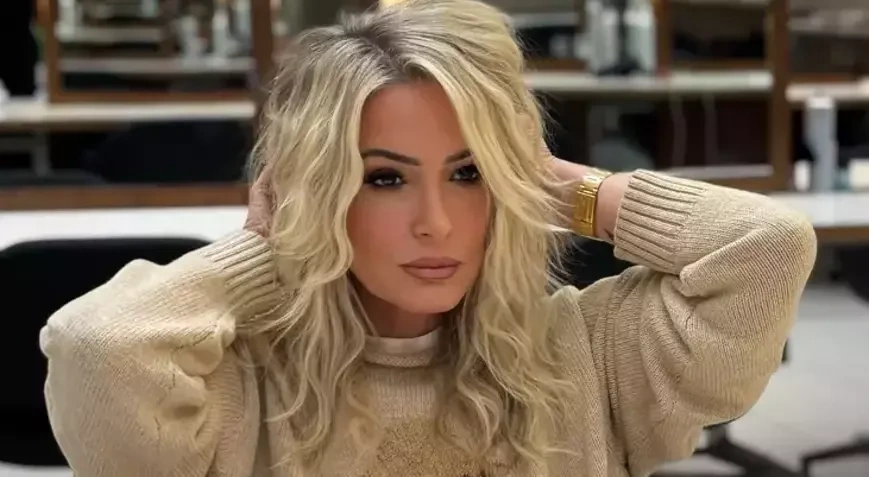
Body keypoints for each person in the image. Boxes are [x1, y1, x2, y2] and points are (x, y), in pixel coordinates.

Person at [40, 1, 817, 476]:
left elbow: (767, 245)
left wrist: (545, 183)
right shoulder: (233, 387)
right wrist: (274, 244)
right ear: (323, 189)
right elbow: (97, 347)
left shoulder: (585, 353)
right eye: (384, 177)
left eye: (467, 173)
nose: (435, 222)